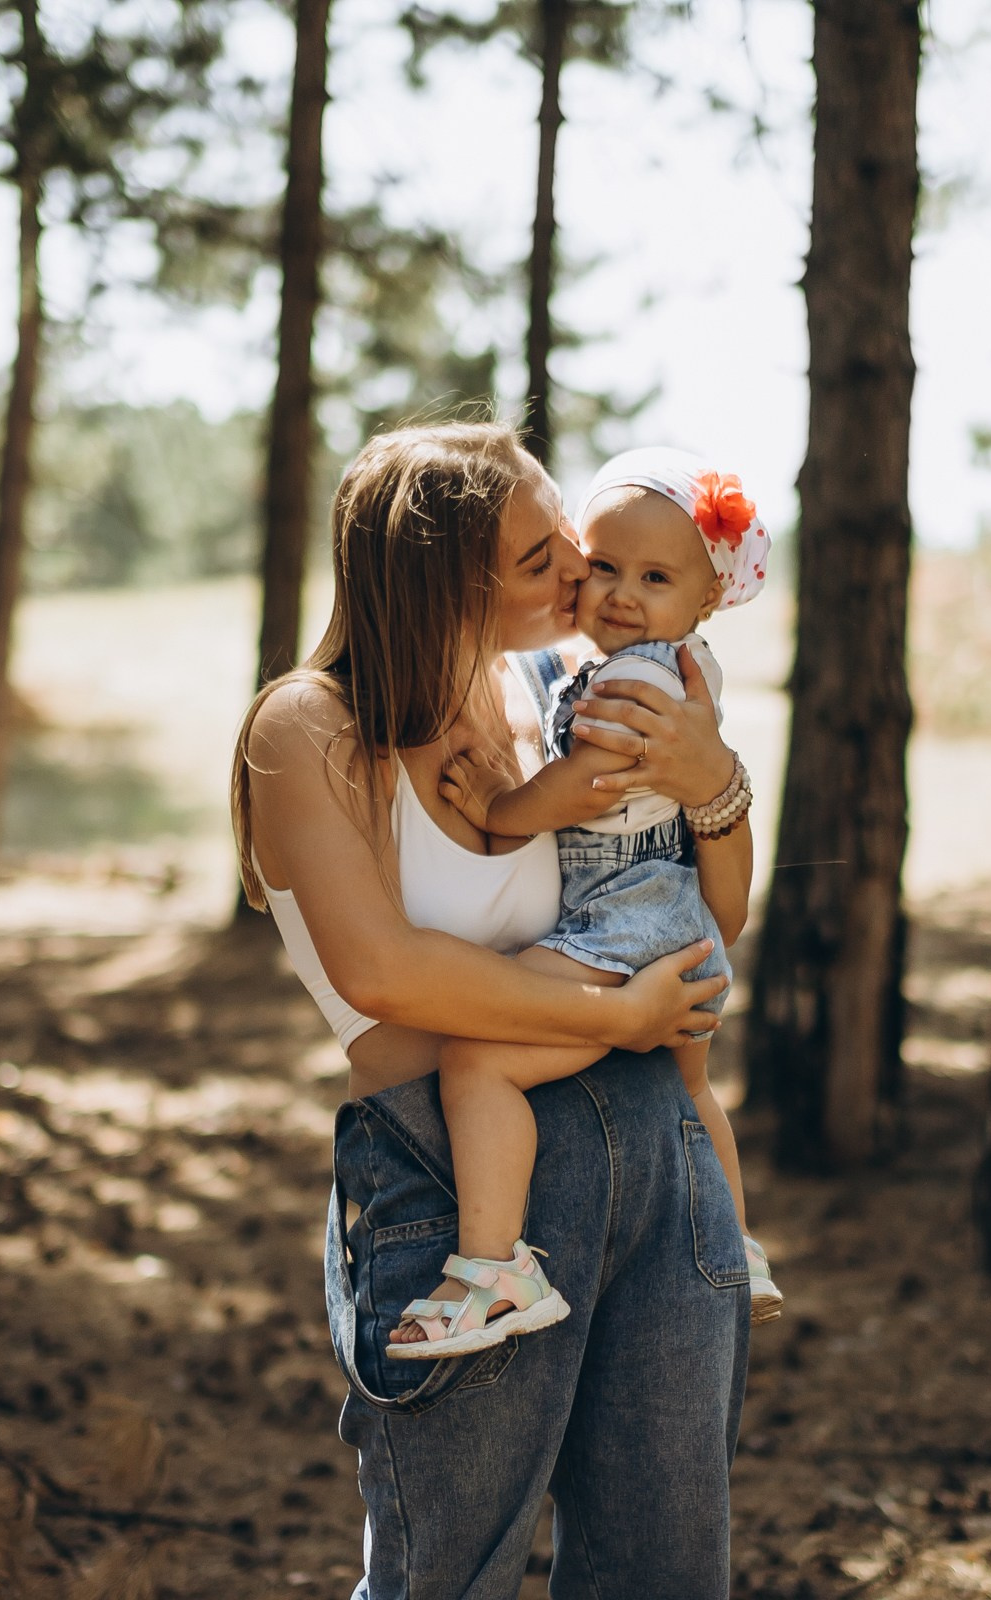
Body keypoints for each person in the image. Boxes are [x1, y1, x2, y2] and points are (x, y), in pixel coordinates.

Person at [231, 421, 755, 1598]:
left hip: (653, 1160)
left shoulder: (547, 695)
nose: (580, 568)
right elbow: (385, 972)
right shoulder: (305, 729)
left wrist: (715, 784)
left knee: (666, 1574)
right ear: (444, 580)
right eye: (541, 558)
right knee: (446, 1577)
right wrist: (616, 1017)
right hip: (451, 1172)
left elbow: (702, 905)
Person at [395, 447, 782, 1361]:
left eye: (654, 577)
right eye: (602, 564)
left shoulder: (638, 683)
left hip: (627, 927)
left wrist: (497, 807)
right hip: (669, 921)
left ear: (705, 599)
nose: (616, 592)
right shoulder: (669, 667)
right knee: (693, 1089)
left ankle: (493, 1270)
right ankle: (737, 1244)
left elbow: (587, 788)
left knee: (479, 1065)